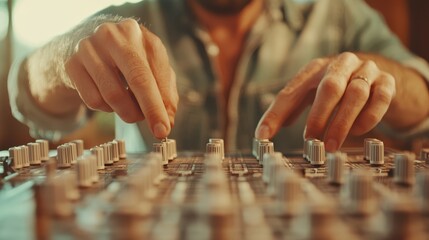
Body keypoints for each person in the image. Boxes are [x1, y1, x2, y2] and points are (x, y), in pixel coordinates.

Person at [8, 0, 429, 153]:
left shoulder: (340, 14)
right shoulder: (134, 17)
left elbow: (422, 97)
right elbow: (27, 101)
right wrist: (61, 58)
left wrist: (383, 78)